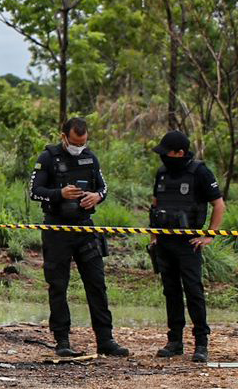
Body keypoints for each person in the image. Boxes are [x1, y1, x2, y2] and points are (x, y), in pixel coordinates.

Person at [29, 118, 129, 359]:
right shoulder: (48, 158)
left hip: (85, 229)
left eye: (83, 142)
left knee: (97, 284)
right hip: (57, 230)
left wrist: (97, 197)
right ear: (64, 137)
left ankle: (105, 340)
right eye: (74, 143)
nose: (79, 146)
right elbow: (34, 192)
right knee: (58, 285)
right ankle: (62, 340)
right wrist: (59, 194)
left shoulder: (91, 158)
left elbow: (104, 188)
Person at [147, 130, 226, 362]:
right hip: (165, 243)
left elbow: (219, 205)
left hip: (188, 244)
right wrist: (153, 237)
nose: (163, 158)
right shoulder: (162, 173)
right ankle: (175, 341)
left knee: (193, 293)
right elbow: (155, 205)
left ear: (180, 153)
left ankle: (201, 343)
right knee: (170, 292)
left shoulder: (200, 172)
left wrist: (209, 236)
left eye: (167, 153)